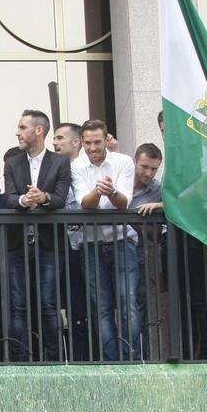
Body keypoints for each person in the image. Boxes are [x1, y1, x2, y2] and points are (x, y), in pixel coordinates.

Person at [1, 109, 71, 362]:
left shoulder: (60, 162)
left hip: (48, 243)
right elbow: (9, 198)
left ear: (38, 130)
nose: (17, 132)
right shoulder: (12, 163)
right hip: (18, 243)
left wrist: (44, 197)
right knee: (17, 305)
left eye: (22, 128)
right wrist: (24, 200)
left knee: (48, 304)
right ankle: (21, 360)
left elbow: (61, 199)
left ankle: (54, 360)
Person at [73, 120, 138, 361]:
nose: (92, 147)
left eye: (97, 142)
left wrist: (111, 192)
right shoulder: (77, 165)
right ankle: (111, 361)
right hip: (91, 244)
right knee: (101, 308)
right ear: (82, 142)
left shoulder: (123, 161)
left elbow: (124, 203)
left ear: (105, 139)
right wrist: (99, 192)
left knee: (128, 302)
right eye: (88, 143)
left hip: (122, 242)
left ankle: (132, 360)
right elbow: (84, 203)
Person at [52, 122, 91, 360]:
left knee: (87, 304)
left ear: (76, 142)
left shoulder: (86, 168)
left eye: (60, 138)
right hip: (64, 247)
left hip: (87, 244)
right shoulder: (56, 169)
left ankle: (87, 355)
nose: (54, 142)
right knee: (69, 303)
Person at [132, 142, 165, 359]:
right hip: (106, 250)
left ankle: (140, 359)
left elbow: (158, 234)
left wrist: (136, 222)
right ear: (134, 161)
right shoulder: (121, 177)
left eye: (154, 169)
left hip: (139, 257)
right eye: (144, 166)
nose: (148, 173)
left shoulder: (156, 190)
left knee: (138, 309)